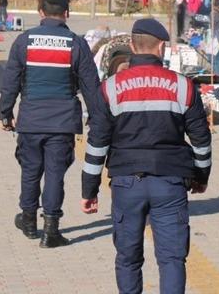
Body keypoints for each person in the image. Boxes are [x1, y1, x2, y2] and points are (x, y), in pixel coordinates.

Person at [81, 18, 211, 294]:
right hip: (171, 182)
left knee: (128, 257)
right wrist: (201, 176)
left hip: (127, 183)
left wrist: (89, 189)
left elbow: (97, 143)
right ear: (161, 47)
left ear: (131, 45)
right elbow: (201, 139)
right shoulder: (184, 86)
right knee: (172, 258)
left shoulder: (111, 87)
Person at [0, 0, 101, 248]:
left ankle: (29, 221)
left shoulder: (24, 42)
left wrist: (5, 112)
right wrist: (98, 118)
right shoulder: (76, 44)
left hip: (31, 119)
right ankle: (51, 230)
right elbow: (91, 86)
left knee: (30, 170)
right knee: (55, 173)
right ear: (66, 13)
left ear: (40, 13)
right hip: (62, 122)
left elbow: (10, 80)